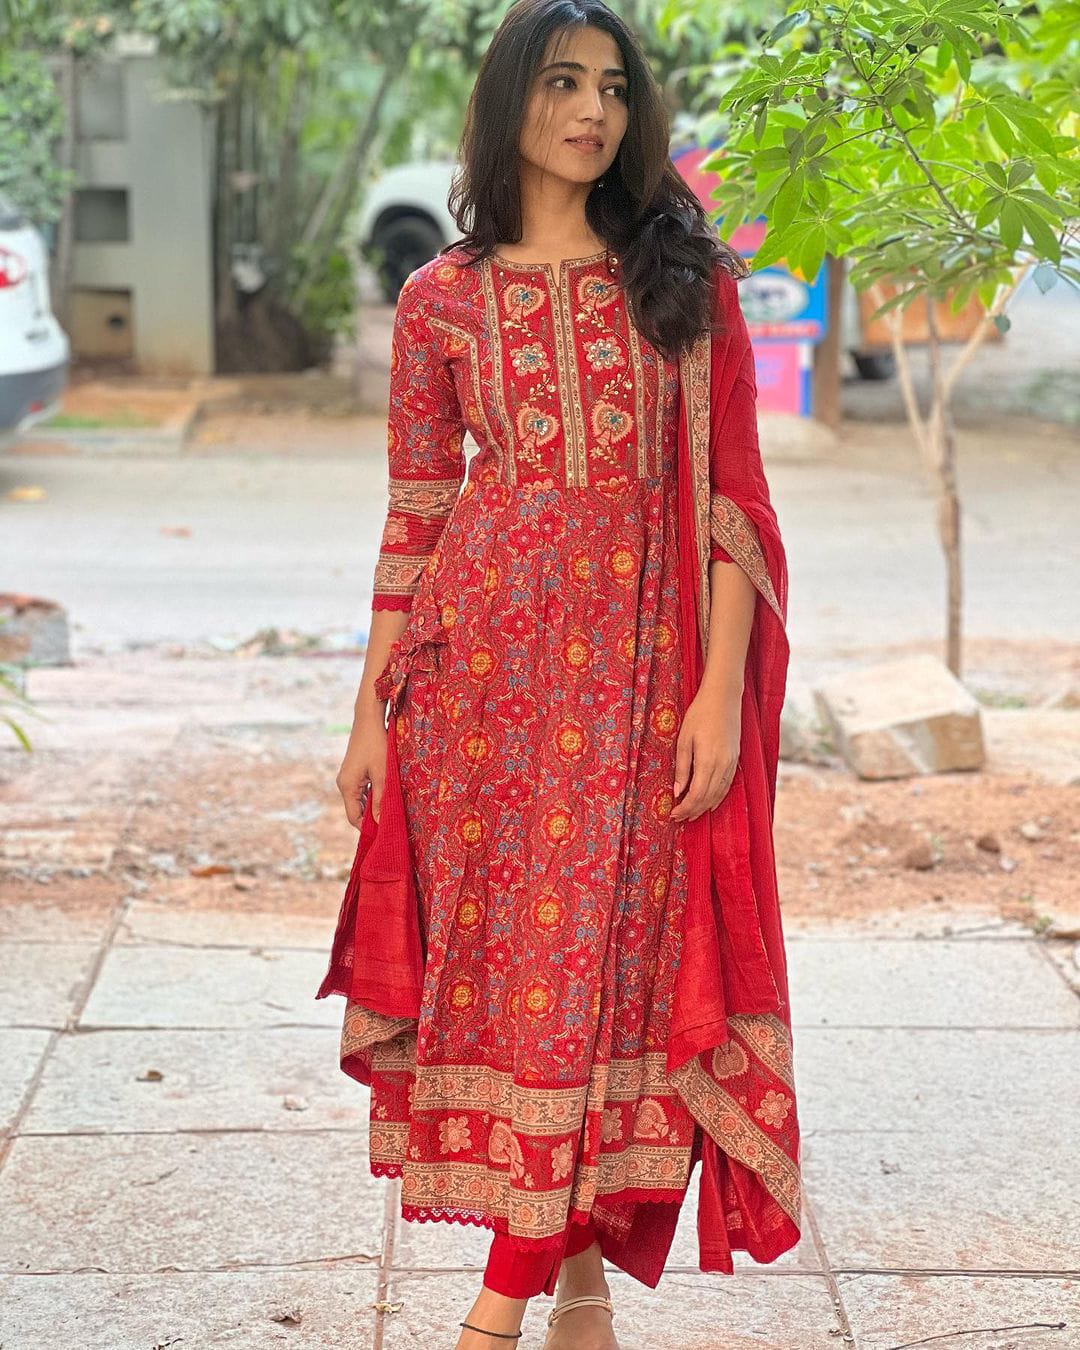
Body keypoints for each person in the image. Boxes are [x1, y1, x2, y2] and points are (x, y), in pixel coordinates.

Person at [316, 1, 802, 1345]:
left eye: (613, 87)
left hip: (647, 684)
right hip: (484, 689)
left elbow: (733, 509)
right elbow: (416, 515)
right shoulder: (442, 299)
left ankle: (492, 1312)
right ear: (510, 103)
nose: (593, 110)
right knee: (527, 981)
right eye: (563, 84)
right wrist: (369, 712)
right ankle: (570, 1280)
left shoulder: (679, 281)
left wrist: (717, 691)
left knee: (614, 970)